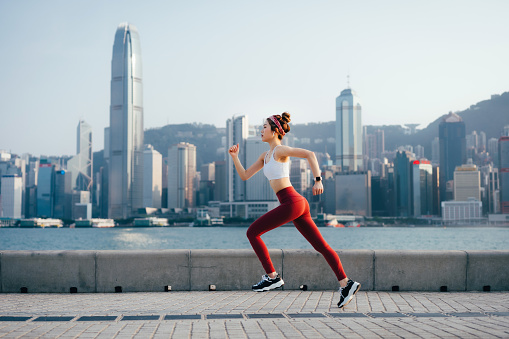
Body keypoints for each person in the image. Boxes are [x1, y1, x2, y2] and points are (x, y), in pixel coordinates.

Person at [228, 112, 360, 308]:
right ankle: (346, 284)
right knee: (321, 246)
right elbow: (245, 175)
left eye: (264, 127)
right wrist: (235, 157)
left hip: (292, 201)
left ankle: (272, 276)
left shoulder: (281, 150)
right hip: (295, 203)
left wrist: (318, 180)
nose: (261, 130)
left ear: (274, 131)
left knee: (252, 232)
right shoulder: (265, 156)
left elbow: (310, 154)